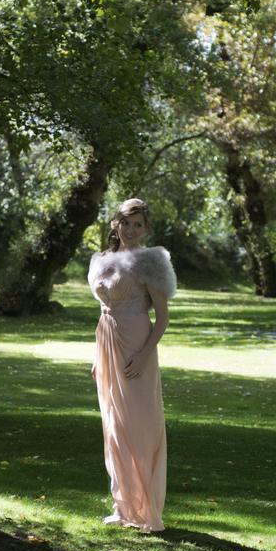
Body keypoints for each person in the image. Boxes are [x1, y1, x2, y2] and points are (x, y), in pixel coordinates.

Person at [87, 198, 176, 532]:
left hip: (138, 343)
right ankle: (122, 507)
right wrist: (98, 357)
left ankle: (146, 509)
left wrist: (144, 354)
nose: (131, 230)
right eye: (126, 223)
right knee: (114, 427)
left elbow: (163, 317)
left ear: (146, 229)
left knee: (140, 425)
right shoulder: (101, 260)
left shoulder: (150, 261)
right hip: (107, 343)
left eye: (138, 225)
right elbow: (102, 310)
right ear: (116, 224)